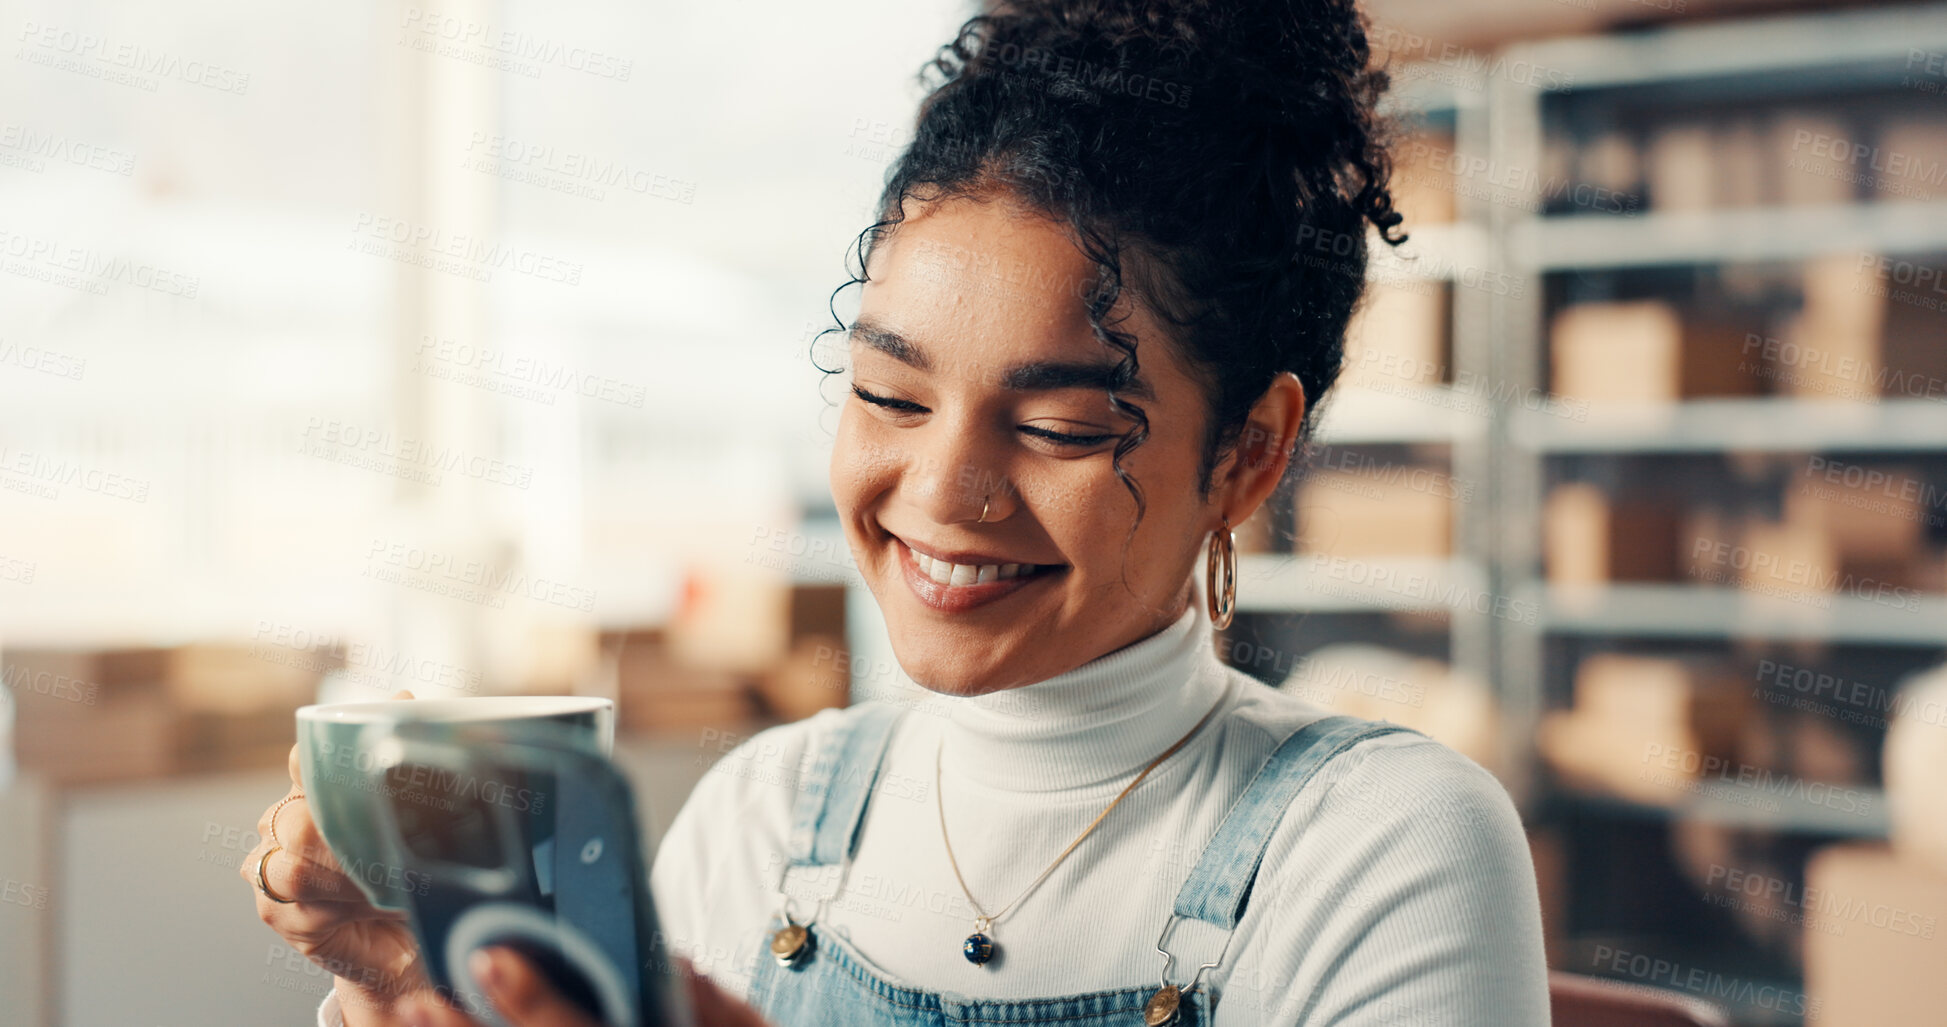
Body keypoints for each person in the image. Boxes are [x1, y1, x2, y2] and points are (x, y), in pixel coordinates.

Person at [244, 0, 1551, 1023]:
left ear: (1249, 454)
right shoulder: (766, 815)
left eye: (1059, 428)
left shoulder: (1384, 848)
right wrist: (409, 991)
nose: (942, 494)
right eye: (890, 394)